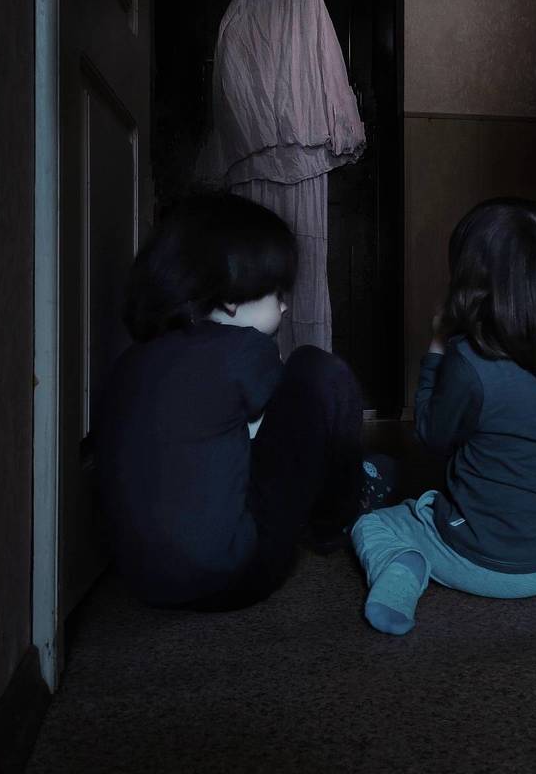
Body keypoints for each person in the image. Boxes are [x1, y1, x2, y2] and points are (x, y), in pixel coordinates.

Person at [352, 198, 536, 636]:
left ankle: (402, 566)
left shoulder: (469, 362)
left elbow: (431, 435)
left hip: (483, 564)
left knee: (375, 523)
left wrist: (437, 347)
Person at [93, 189, 375, 611]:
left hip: (143, 581)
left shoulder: (131, 360)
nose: (284, 307)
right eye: (277, 292)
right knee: (319, 371)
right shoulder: (244, 348)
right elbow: (287, 433)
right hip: (234, 577)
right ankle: (336, 522)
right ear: (229, 298)